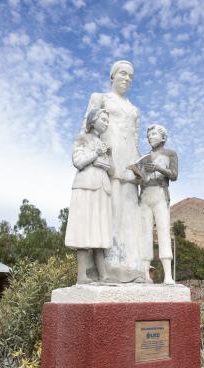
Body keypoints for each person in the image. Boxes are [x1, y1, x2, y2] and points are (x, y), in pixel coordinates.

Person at [81, 60, 145, 282]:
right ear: (112, 76)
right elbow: (85, 132)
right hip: (107, 163)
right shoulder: (100, 98)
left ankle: (133, 266)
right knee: (109, 213)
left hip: (129, 165)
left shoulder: (134, 109)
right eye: (123, 74)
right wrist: (92, 159)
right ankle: (108, 266)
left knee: (130, 214)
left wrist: (139, 166)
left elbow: (135, 139)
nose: (127, 78)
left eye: (131, 76)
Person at [65, 108, 114, 283]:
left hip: (102, 189)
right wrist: (96, 155)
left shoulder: (105, 144)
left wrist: (107, 156)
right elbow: (78, 161)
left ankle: (104, 274)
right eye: (103, 118)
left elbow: (111, 170)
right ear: (93, 120)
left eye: (107, 120)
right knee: (84, 229)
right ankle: (81, 276)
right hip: (86, 187)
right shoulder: (82, 138)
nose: (106, 122)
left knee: (100, 230)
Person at [132, 124, 178, 284]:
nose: (150, 137)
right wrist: (137, 174)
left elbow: (174, 175)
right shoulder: (143, 159)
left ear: (163, 137)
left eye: (154, 134)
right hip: (144, 196)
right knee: (145, 235)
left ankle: (168, 276)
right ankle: (145, 274)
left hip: (160, 195)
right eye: (149, 135)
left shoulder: (170, 154)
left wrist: (159, 168)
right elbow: (138, 180)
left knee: (164, 232)